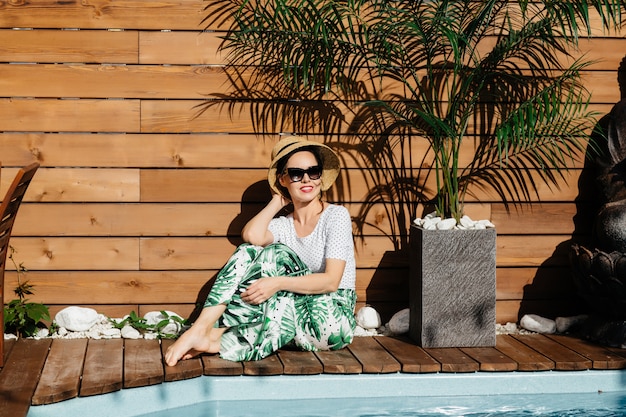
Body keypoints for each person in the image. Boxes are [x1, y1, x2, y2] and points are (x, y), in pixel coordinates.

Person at [164, 136, 357, 365]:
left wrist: (276, 283)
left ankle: (211, 333)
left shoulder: (336, 216)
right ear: (283, 179)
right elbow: (252, 236)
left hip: (332, 320)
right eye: (296, 173)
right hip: (292, 320)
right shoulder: (284, 224)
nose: (306, 179)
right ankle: (207, 334)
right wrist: (277, 200)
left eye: (313, 172)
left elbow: (330, 281)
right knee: (248, 251)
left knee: (276, 255)